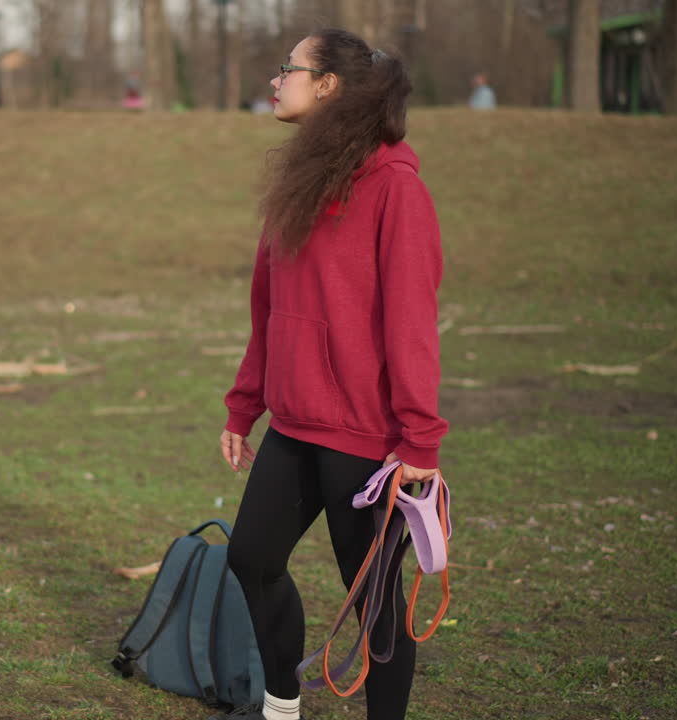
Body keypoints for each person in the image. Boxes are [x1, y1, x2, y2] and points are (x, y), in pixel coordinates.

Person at [213, 27, 448, 720]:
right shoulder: (301, 179)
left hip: (365, 436)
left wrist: (420, 439)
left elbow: (411, 320)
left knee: (373, 597)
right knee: (251, 560)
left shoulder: (395, 188)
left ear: (327, 85)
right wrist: (243, 405)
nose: (274, 79)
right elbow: (269, 307)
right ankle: (280, 705)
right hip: (294, 422)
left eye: (287, 68)